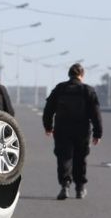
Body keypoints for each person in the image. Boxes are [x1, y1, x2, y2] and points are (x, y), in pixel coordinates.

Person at [42, 63, 103, 200]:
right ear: (82, 75)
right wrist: (98, 133)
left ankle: (65, 186)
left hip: (62, 129)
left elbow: (48, 109)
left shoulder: (60, 88)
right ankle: (80, 189)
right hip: (82, 130)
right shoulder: (88, 90)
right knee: (80, 158)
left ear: (69, 74)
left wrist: (48, 127)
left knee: (64, 157)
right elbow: (96, 114)